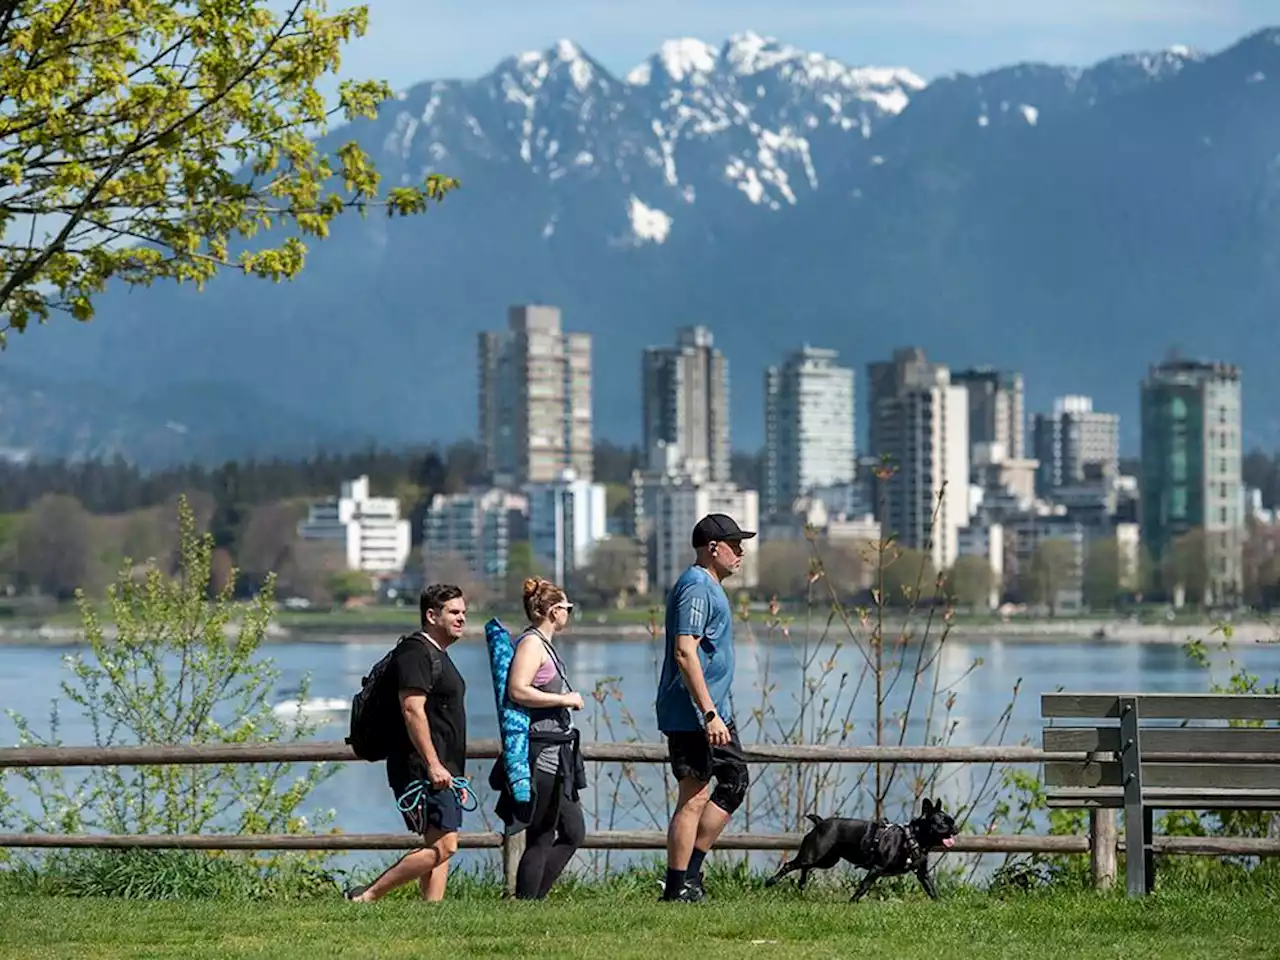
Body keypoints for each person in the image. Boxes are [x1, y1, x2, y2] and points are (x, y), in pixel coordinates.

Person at [346, 584, 470, 902]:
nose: (462, 619)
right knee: (446, 846)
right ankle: (367, 895)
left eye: (463, 612)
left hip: (443, 769)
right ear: (431, 615)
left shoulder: (438, 655)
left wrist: (455, 772)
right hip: (420, 766)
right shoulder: (416, 652)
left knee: (439, 843)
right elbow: (412, 709)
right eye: (454, 612)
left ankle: (432, 913)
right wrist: (433, 764)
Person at [655, 513, 756, 902]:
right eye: (735, 543)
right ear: (713, 548)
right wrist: (709, 712)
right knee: (694, 796)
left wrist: (718, 710)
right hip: (694, 714)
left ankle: (691, 877)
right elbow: (685, 651)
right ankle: (677, 887)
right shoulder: (696, 588)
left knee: (734, 780)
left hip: (715, 711)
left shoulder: (710, 586)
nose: (741, 551)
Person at [501, 576, 587, 899]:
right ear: (553, 611)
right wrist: (564, 700)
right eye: (567, 608)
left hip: (558, 752)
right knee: (541, 835)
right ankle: (527, 904)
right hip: (542, 752)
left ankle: (534, 900)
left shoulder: (544, 644)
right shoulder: (532, 644)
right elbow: (518, 690)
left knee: (572, 831)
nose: (569, 613)